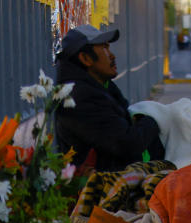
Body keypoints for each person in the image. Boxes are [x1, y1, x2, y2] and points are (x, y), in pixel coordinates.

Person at [54, 24, 165, 172]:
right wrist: (155, 118)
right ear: (86, 58)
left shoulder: (101, 85)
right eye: (104, 48)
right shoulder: (79, 98)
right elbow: (127, 144)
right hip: (102, 186)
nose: (112, 55)